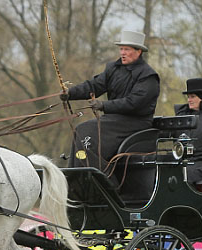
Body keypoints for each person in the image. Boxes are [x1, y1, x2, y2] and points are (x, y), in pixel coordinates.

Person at [65, 29, 160, 168]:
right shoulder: (113, 69)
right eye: (121, 49)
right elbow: (94, 85)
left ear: (138, 51)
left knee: (86, 131)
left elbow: (133, 103)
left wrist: (104, 105)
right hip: (112, 121)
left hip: (135, 124)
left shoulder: (148, 77)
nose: (122, 53)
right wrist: (70, 93)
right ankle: (77, 174)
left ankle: (101, 179)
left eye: (126, 49)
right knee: (80, 130)